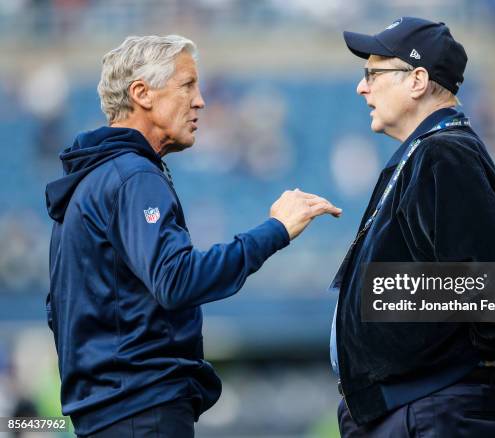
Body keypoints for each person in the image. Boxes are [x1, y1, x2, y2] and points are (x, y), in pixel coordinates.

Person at [44, 35, 341, 438]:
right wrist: (275, 231)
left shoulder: (90, 180)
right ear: (141, 93)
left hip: (105, 411)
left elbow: (57, 307)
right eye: (187, 85)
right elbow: (177, 280)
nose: (200, 101)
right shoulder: (133, 177)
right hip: (141, 410)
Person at [330, 17, 495, 437]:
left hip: (434, 406)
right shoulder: (430, 151)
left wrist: (478, 357)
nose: (361, 87)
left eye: (373, 73)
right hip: (421, 403)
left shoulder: (444, 154)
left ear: (418, 80)